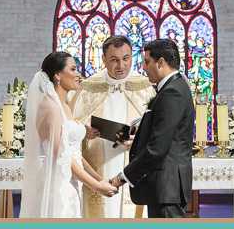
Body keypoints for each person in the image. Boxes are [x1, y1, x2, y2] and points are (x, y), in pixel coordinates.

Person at [20, 52, 117, 218]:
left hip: (70, 182)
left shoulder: (64, 106)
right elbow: (62, 157)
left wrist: (99, 178)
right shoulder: (50, 107)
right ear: (57, 75)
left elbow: (73, 153)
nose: (78, 74)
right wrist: (96, 186)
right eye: (73, 69)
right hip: (58, 185)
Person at [70, 36, 156, 218]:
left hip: (133, 165)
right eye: (114, 60)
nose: (121, 66)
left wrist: (139, 141)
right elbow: (70, 131)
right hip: (98, 166)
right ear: (103, 59)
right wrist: (85, 132)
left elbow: (158, 132)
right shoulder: (88, 89)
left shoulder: (145, 88)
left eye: (126, 59)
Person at [109, 39, 194, 218]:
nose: (144, 68)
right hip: (164, 188)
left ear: (161, 62)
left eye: (147, 62)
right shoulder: (172, 88)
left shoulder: (172, 92)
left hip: (166, 187)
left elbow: (157, 149)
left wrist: (122, 177)